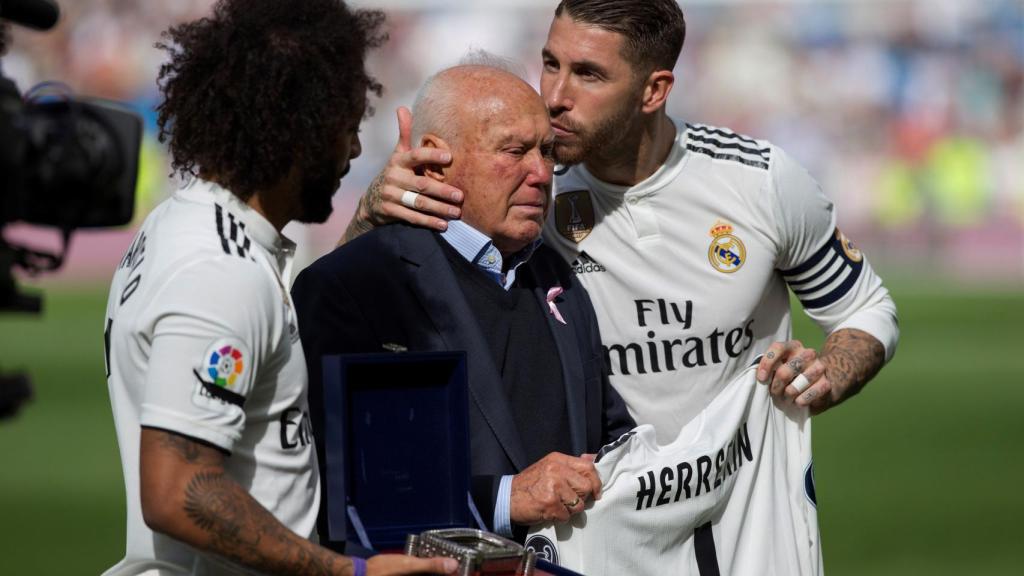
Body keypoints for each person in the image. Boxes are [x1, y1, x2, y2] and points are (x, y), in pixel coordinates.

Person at [343, 0, 898, 441]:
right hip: (597, 523)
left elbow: (866, 309)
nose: (554, 95)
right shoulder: (522, 190)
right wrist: (372, 212)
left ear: (653, 90)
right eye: (551, 63)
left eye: (588, 74)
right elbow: (344, 305)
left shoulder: (760, 181)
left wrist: (828, 375)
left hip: (747, 526)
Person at [101, 1, 457, 574]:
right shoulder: (219, 270)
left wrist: (365, 219)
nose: (356, 150)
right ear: (300, 129)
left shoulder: (189, 226)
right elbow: (177, 490)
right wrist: (346, 572)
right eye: (346, 127)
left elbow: (265, 340)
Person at [291, 60, 636, 545]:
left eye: (546, 151)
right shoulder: (356, 286)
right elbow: (345, 491)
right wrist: (504, 499)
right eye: (514, 150)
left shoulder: (556, 275)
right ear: (434, 160)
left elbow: (609, 431)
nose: (541, 172)